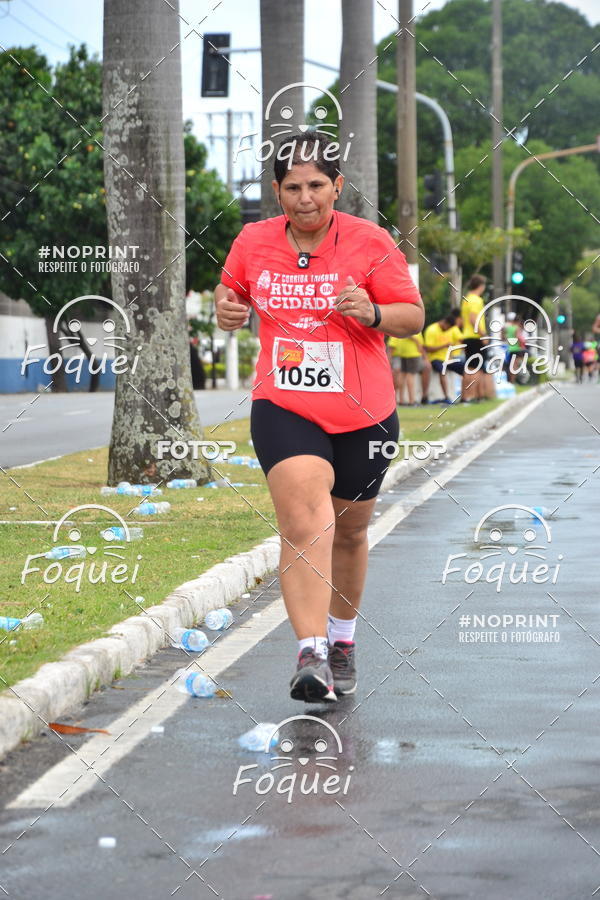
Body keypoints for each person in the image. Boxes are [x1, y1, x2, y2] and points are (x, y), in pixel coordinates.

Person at [215, 132, 424, 704]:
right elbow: (229, 294)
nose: (304, 198)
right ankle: (309, 652)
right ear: (276, 192)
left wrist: (374, 310)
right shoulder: (253, 241)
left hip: (366, 414)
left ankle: (342, 641)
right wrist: (227, 309)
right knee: (307, 522)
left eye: (315, 185)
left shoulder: (370, 241)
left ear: (337, 186)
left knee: (351, 531)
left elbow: (412, 317)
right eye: (291, 187)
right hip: (285, 405)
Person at [423, 312, 465, 402]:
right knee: (442, 369)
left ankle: (464, 397)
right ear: (445, 323)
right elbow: (428, 348)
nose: (448, 330)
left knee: (466, 368)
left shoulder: (449, 331)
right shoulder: (432, 330)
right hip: (435, 358)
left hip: (448, 359)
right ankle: (446, 397)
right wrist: (443, 346)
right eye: (448, 328)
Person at [461, 274, 488, 399]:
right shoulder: (477, 300)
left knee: (469, 367)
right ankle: (474, 395)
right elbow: (473, 319)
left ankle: (465, 395)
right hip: (475, 337)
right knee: (476, 368)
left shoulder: (466, 299)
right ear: (481, 286)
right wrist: (483, 335)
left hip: (466, 336)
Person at [387, 332, 426, 405]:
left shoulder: (401, 329)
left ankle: (401, 400)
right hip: (413, 354)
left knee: (403, 375)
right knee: (410, 376)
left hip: (403, 354)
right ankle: (411, 400)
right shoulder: (413, 328)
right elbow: (419, 343)